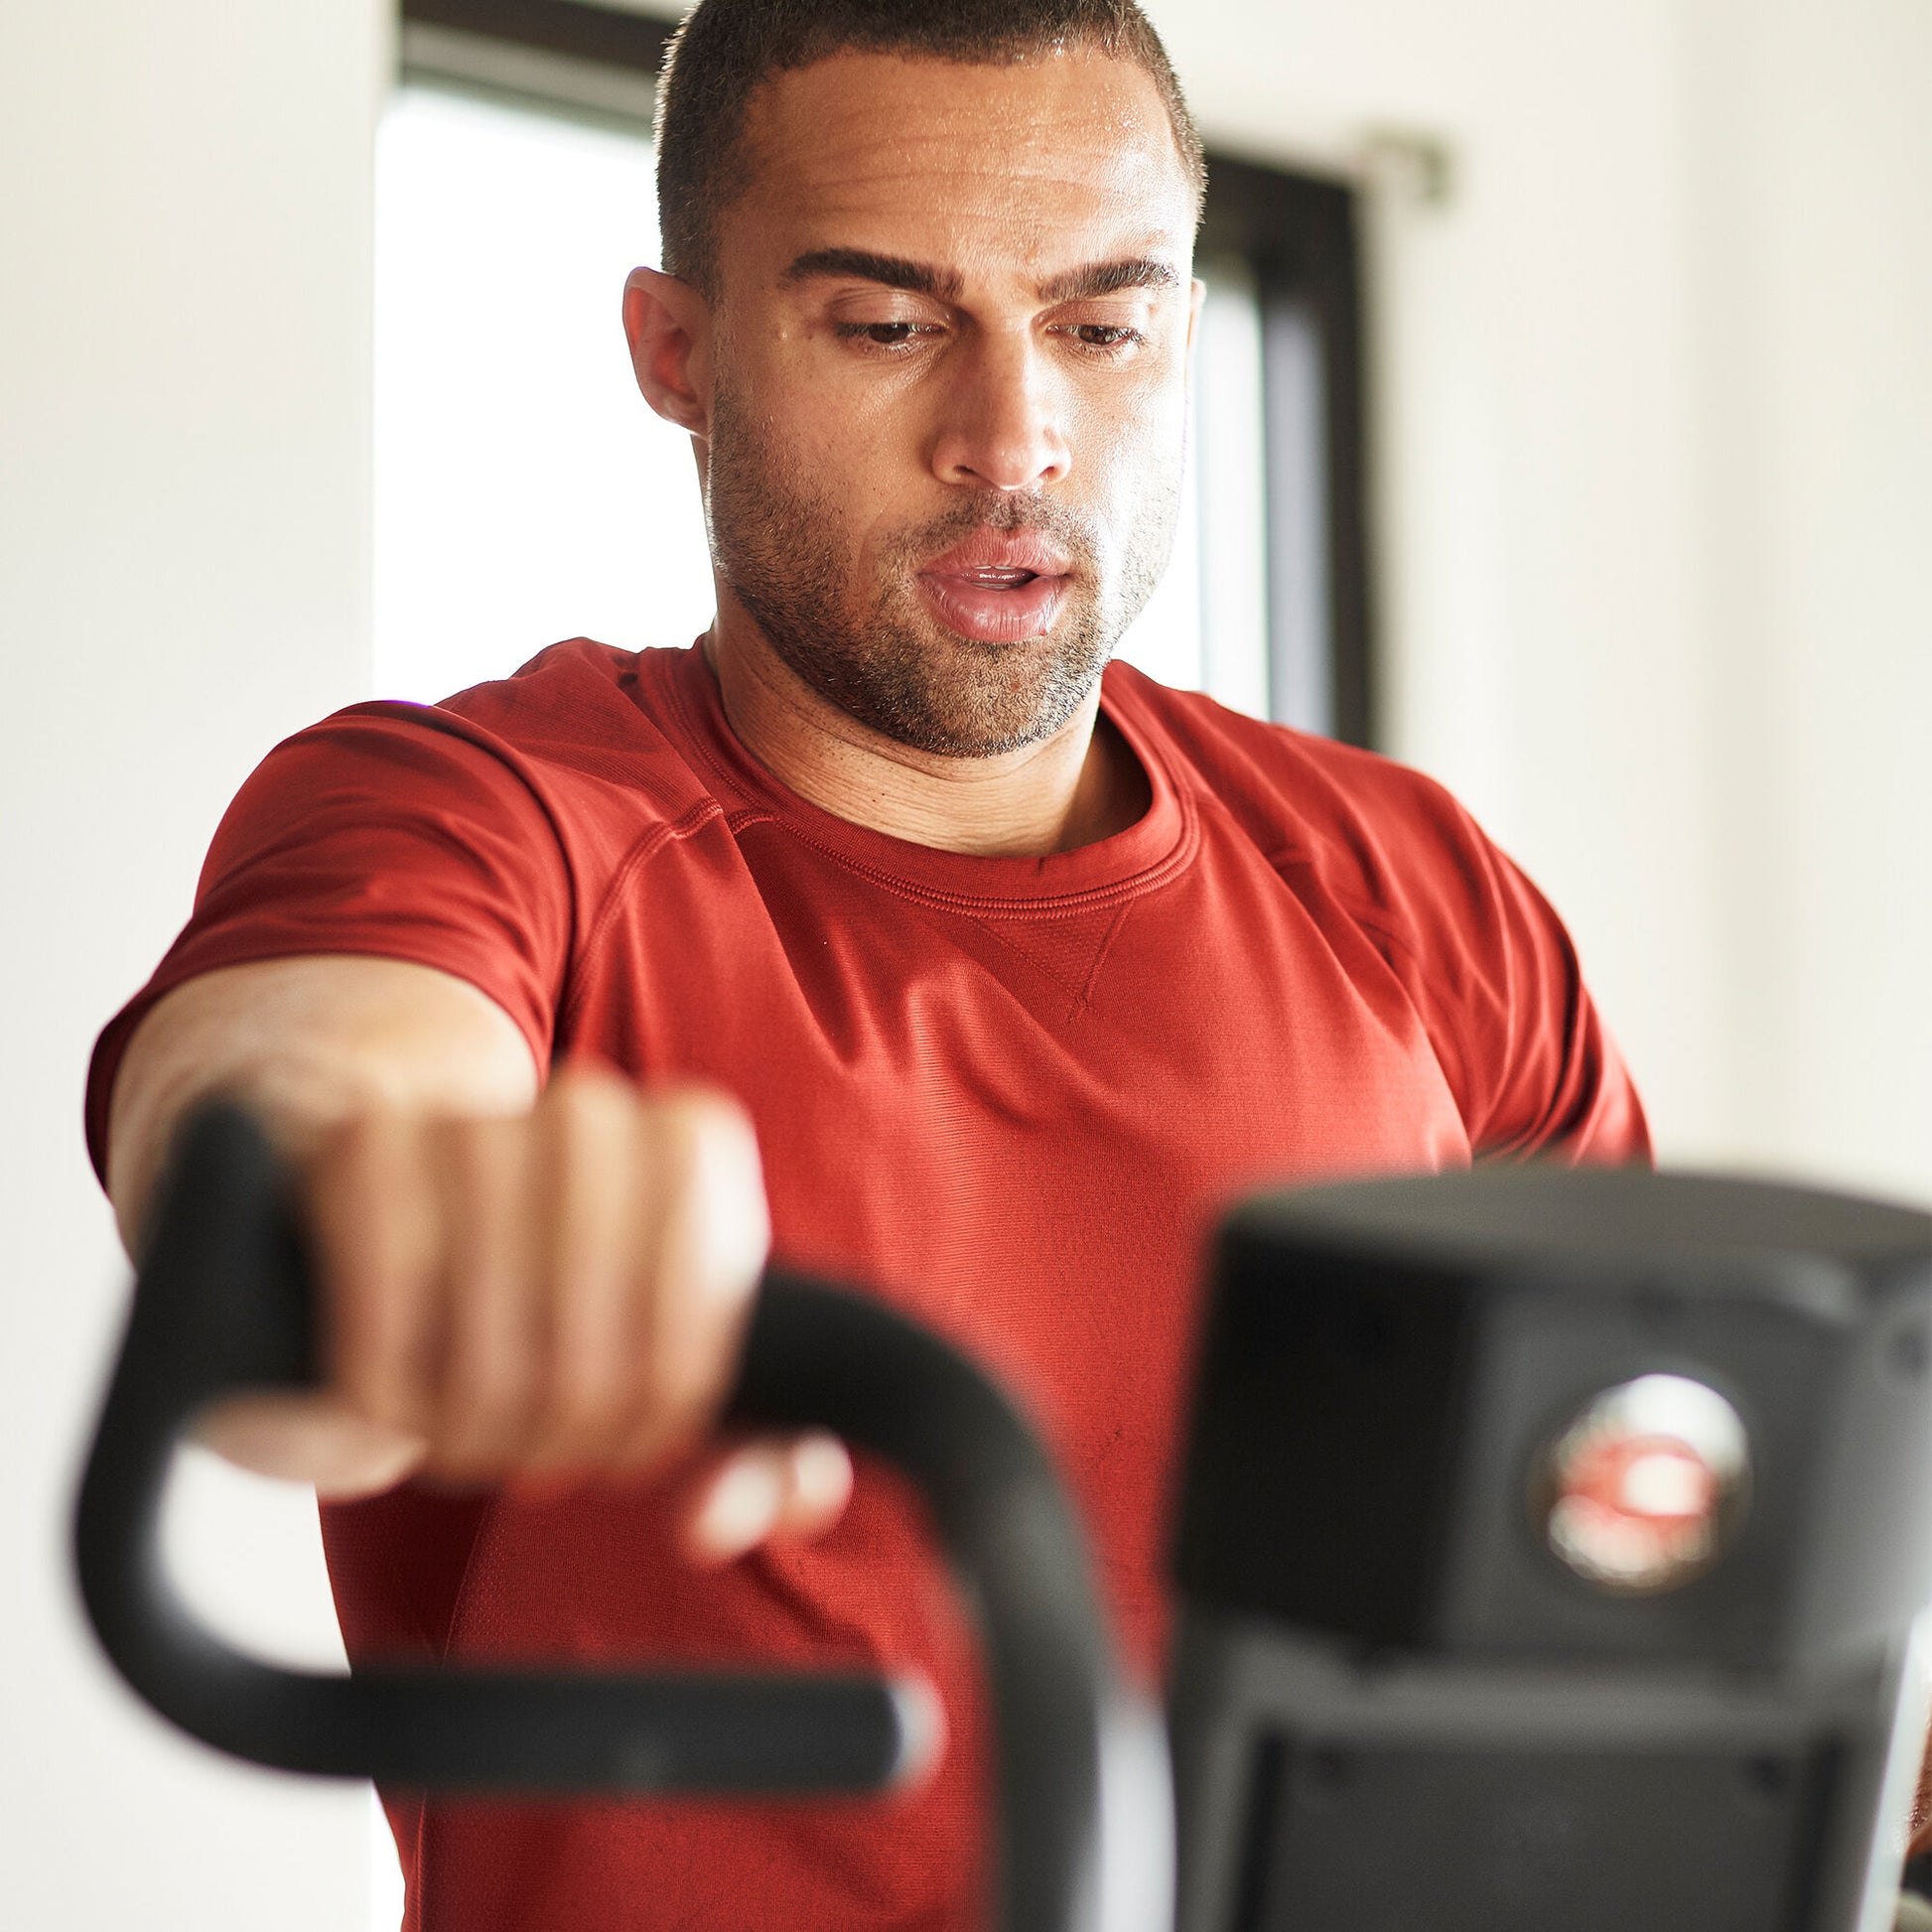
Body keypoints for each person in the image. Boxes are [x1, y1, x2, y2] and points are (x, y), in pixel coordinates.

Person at [87, 2, 1649, 1925]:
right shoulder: (484, 810)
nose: (1014, 440)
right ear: (679, 351)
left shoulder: (1408, 886)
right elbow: (281, 1146)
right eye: (888, 324)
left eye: (1102, 322)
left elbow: (1647, 1510)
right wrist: (403, 1218)